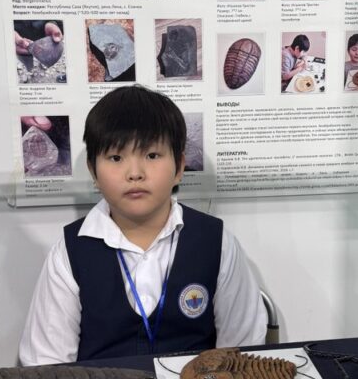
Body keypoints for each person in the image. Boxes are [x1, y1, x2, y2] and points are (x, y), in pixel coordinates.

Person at [19, 85, 266, 364]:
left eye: (152, 156)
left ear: (179, 167)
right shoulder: (70, 251)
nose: (135, 173)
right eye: (116, 158)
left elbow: (243, 351)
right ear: (93, 171)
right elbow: (46, 363)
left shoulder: (216, 242)